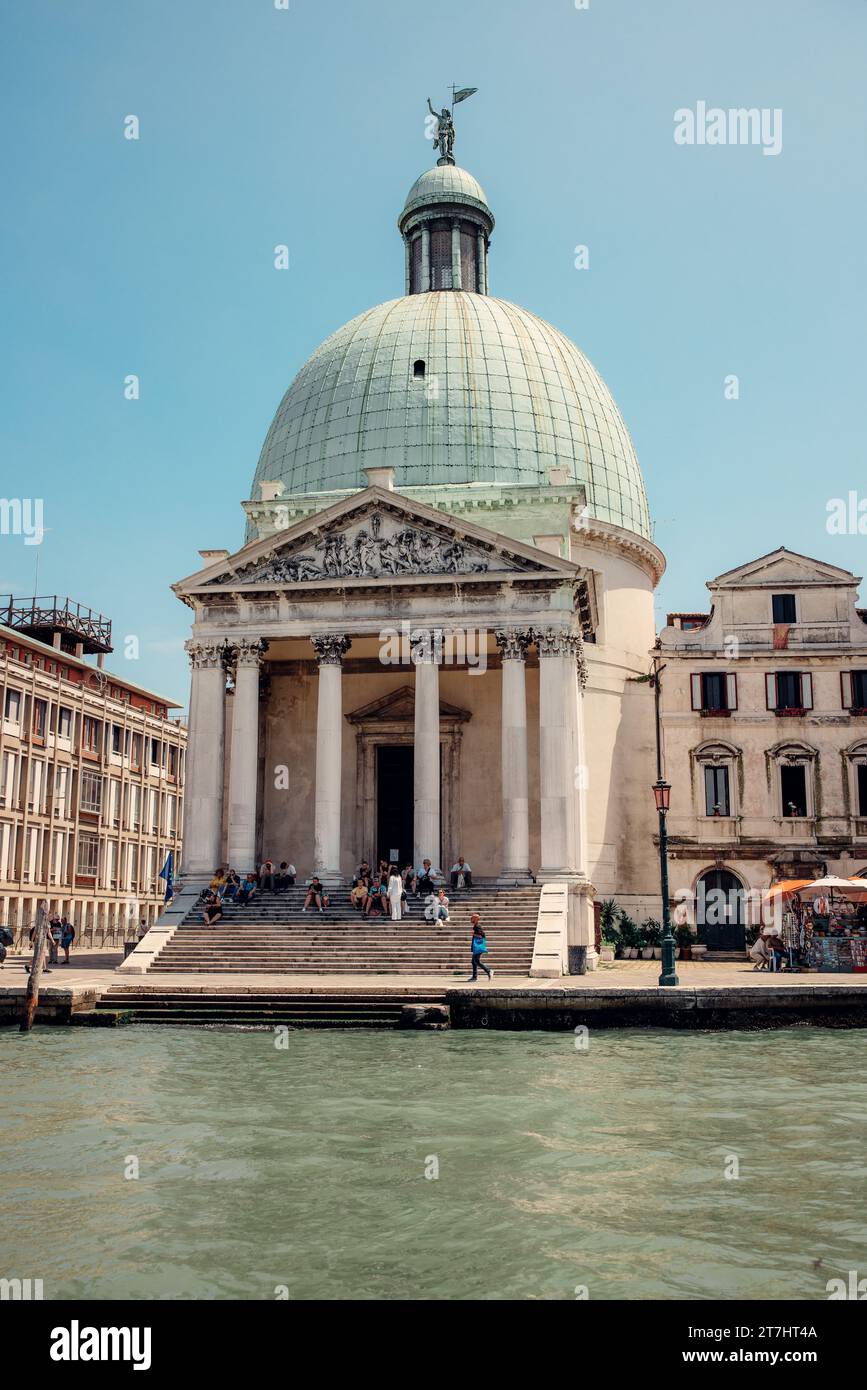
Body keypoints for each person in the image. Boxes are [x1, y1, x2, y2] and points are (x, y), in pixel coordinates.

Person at [468, 914, 492, 982]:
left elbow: (481, 936)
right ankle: (474, 977)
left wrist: (474, 934)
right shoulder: (476, 926)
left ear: (476, 919)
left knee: (476, 961)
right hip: (476, 947)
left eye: (472, 918)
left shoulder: (477, 926)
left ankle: (488, 971)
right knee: (473, 961)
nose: (471, 919)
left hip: (478, 947)